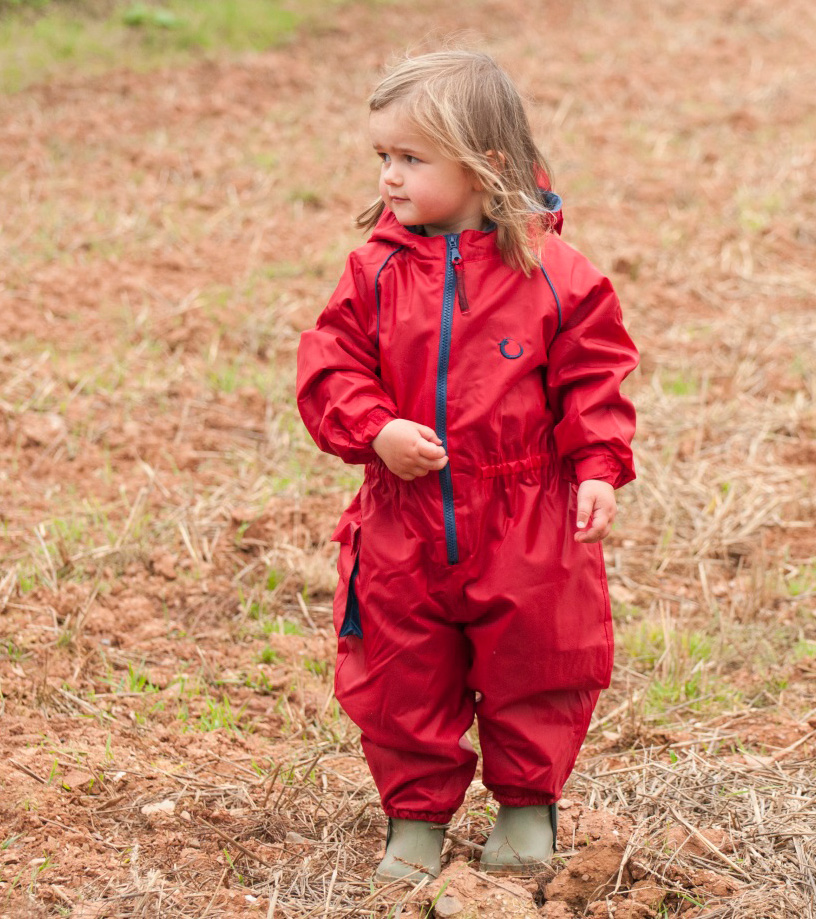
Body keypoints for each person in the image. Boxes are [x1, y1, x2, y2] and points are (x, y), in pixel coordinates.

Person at [296, 50, 638, 883]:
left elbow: (595, 372)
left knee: (541, 658)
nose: (389, 177)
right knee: (398, 667)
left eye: (411, 159)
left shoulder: (558, 274)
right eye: (382, 157)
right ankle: (414, 815)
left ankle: (527, 805)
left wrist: (596, 464)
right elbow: (330, 364)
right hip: (404, 516)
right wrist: (375, 429)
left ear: (484, 166)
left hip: (527, 511)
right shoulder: (373, 270)